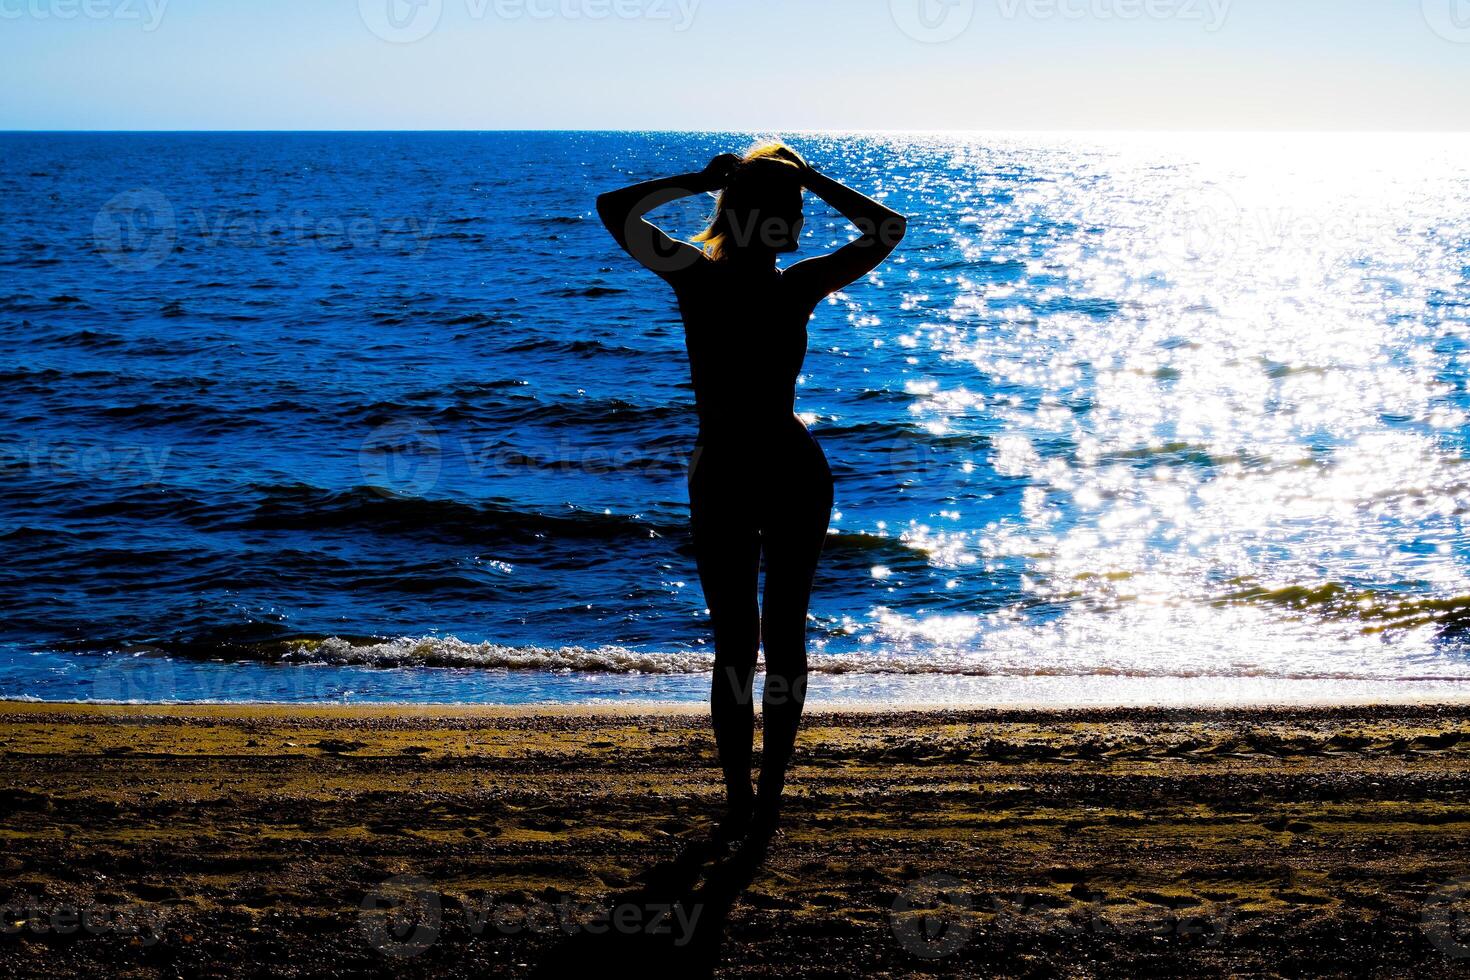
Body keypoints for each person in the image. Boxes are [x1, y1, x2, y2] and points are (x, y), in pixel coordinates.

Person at [596, 141, 906, 846]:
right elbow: (887, 230)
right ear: (759, 219)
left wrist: (709, 181)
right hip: (785, 466)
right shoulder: (782, 285)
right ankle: (758, 795)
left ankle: (749, 795)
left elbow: (615, 209)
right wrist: (806, 179)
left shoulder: (698, 278)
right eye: (788, 207)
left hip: (736, 468)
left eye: (795, 206)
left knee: (745, 642)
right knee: (771, 639)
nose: (795, 218)